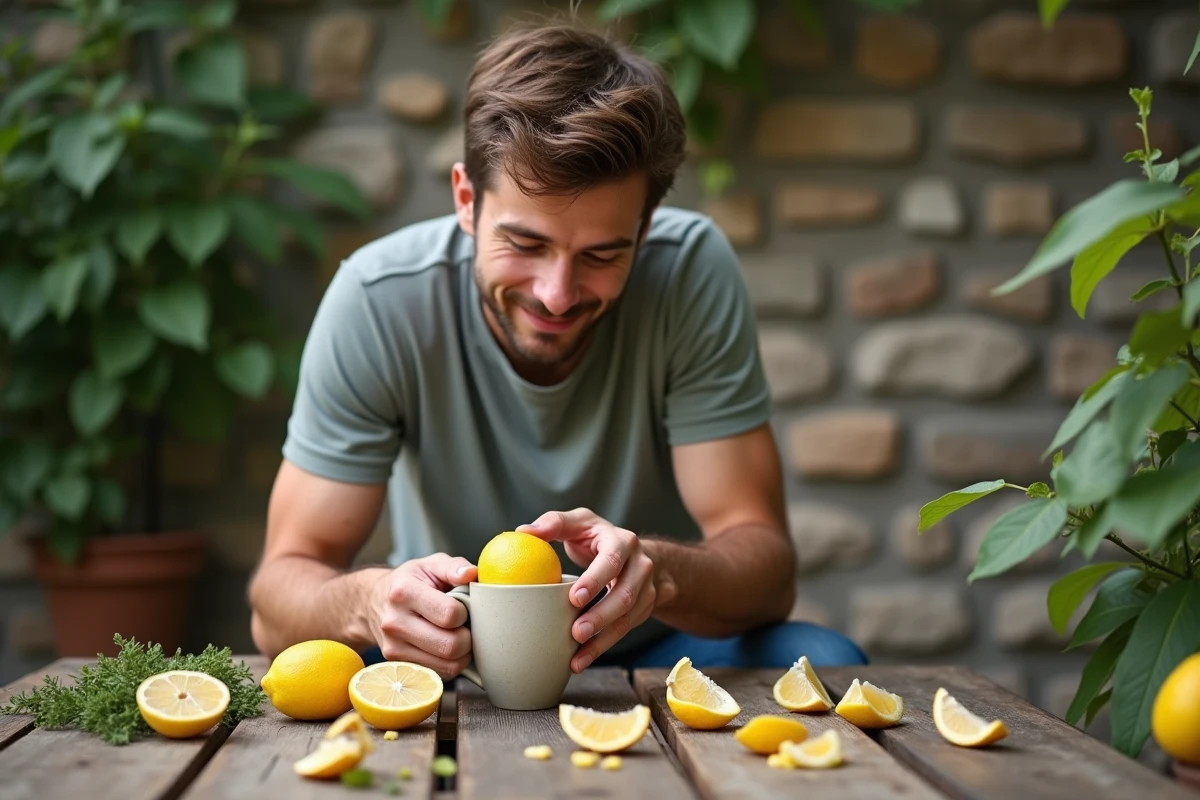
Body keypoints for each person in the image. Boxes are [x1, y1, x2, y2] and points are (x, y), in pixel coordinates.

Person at [247, 19, 867, 677]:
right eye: (526, 244)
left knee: (830, 662)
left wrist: (658, 575)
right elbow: (276, 602)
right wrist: (372, 603)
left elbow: (767, 573)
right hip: (449, 650)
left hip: (647, 643)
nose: (558, 294)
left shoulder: (689, 271)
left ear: (644, 229)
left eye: (602, 254)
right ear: (466, 200)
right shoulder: (379, 298)